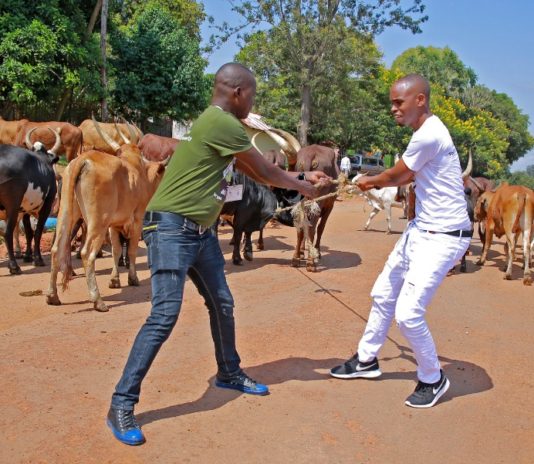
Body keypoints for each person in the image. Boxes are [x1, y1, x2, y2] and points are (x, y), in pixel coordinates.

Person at [107, 62, 331, 446]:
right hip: (172, 228)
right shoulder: (222, 122)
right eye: (252, 96)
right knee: (164, 315)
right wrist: (303, 188)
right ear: (239, 92)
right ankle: (121, 403)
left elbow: (257, 172)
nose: (252, 103)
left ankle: (229, 372)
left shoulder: (218, 124)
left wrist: (301, 177)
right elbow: (265, 173)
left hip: (201, 231)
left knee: (222, 303)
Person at [330, 74, 472, 409]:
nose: (393, 109)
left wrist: (368, 181)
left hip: (444, 237)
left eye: (398, 102)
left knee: (408, 314)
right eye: (392, 102)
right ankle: (366, 360)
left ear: (420, 100)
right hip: (420, 231)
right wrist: (373, 180)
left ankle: (433, 378)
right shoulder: (425, 133)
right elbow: (407, 175)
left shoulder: (429, 134)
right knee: (383, 294)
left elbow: (396, 175)